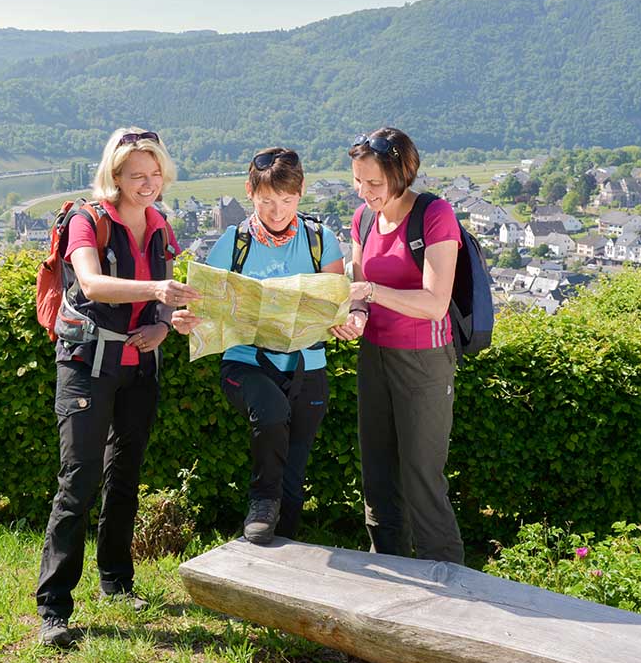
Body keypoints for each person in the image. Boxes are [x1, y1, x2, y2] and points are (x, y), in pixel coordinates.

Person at [35, 127, 201, 648]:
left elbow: (162, 305)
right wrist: (158, 290)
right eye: (136, 175)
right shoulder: (88, 220)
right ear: (115, 175)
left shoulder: (159, 225)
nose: (147, 184)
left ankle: (116, 582)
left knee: (125, 477)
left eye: (154, 174)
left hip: (139, 366)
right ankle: (54, 608)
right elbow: (91, 283)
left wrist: (165, 324)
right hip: (86, 362)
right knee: (78, 480)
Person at [172, 148, 344, 545]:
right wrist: (185, 320)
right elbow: (200, 306)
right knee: (271, 412)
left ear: (300, 193)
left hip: (307, 365)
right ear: (249, 192)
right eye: (266, 200)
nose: (277, 211)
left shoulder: (321, 240)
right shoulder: (234, 243)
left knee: (294, 478)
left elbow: (338, 303)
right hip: (246, 362)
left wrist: (346, 320)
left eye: (286, 200)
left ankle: (277, 558)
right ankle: (262, 501)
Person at [331, 127, 465, 564]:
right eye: (357, 181)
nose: (363, 192)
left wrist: (370, 292)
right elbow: (358, 292)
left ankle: (446, 576)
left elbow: (434, 303)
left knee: (421, 477)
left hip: (424, 359)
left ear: (402, 174)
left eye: (374, 182)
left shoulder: (434, 215)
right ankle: (388, 568)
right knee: (378, 475)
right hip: (374, 354)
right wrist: (356, 316)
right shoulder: (363, 219)